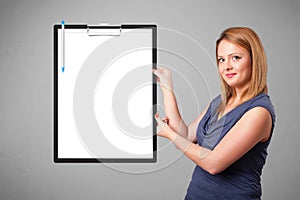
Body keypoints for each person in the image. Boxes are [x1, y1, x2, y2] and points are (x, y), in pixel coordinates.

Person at [153, 27, 276, 200]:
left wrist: (169, 134)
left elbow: (213, 163)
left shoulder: (259, 112)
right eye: (221, 59)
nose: (227, 66)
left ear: (254, 60)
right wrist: (166, 86)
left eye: (236, 58)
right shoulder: (221, 101)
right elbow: (186, 136)